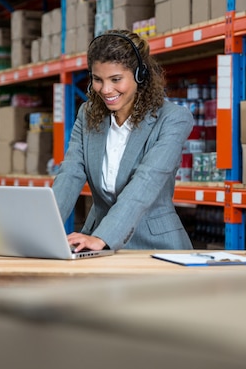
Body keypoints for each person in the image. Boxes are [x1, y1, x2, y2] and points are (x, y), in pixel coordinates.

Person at [52, 29, 195, 252]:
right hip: (96, 242)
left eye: (116, 79)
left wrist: (102, 237)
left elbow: (146, 181)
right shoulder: (88, 114)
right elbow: (70, 174)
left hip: (156, 247)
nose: (106, 90)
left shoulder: (173, 119)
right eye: (97, 79)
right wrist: (45, 229)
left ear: (140, 75)